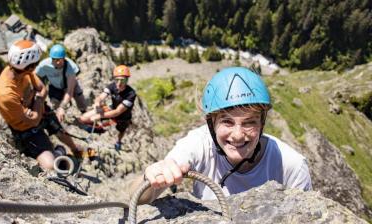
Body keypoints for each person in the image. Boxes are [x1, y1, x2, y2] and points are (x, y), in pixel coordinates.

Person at [129, 67, 312, 204]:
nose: (238, 135)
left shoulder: (291, 165)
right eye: (227, 122)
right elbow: (138, 198)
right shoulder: (198, 143)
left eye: (249, 122)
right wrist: (150, 177)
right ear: (211, 123)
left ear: (262, 123)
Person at [0, 40, 88, 170]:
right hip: (26, 129)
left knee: (61, 133)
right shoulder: (6, 94)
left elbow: (42, 88)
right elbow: (32, 121)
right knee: (50, 166)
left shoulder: (24, 70)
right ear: (30, 66)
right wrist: (38, 100)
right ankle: (59, 151)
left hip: (42, 111)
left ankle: (75, 149)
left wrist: (37, 104)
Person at [79, 65, 136, 151]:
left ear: (127, 80)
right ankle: (98, 128)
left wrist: (100, 115)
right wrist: (97, 102)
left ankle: (118, 142)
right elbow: (101, 97)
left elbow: (118, 112)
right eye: (117, 80)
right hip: (111, 109)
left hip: (123, 117)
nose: (119, 83)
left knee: (121, 131)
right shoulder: (112, 86)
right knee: (83, 118)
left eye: (123, 80)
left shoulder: (131, 94)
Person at [35, 44, 87, 123]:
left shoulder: (70, 67)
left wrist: (63, 107)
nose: (58, 62)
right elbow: (36, 77)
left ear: (64, 58)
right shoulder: (44, 65)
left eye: (60, 59)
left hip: (70, 85)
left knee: (80, 99)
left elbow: (69, 91)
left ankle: (85, 115)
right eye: (55, 59)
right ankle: (62, 122)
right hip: (55, 87)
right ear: (51, 58)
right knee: (56, 106)